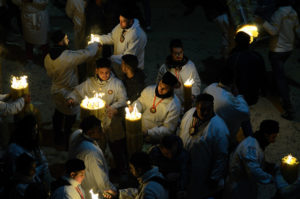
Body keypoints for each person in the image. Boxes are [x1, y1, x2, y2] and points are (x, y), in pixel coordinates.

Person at [68, 58, 127, 173]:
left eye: (107, 73)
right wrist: (71, 99)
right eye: (101, 72)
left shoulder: (116, 83)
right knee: (96, 146)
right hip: (93, 123)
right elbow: (77, 92)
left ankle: (117, 168)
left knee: (114, 145)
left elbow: (123, 99)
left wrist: (113, 107)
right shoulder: (90, 83)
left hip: (109, 120)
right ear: (96, 71)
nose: (104, 75)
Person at [44, 30, 99, 146]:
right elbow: (87, 54)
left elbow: (49, 74)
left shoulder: (48, 57)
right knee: (70, 116)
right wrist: (94, 44)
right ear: (60, 42)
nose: (68, 40)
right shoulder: (67, 57)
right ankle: (67, 140)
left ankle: (57, 136)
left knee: (59, 112)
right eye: (66, 38)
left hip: (55, 89)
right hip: (68, 91)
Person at [178, 94, 230, 199]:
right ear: (196, 107)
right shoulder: (189, 115)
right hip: (183, 168)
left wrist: (214, 178)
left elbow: (221, 156)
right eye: (202, 109)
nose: (206, 112)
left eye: (209, 109)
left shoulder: (219, 128)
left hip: (202, 173)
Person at [258, 0, 300, 120]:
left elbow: (273, 31)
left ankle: (288, 108)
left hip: (277, 50)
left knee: (280, 77)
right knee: (280, 73)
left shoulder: (278, 13)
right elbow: (297, 31)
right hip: (289, 49)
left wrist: (263, 22)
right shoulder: (293, 12)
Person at [224, 120, 279, 199]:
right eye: (273, 137)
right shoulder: (251, 148)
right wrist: (271, 178)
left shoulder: (256, 142)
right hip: (239, 187)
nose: (274, 141)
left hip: (246, 182)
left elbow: (256, 161)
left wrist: (270, 166)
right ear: (266, 135)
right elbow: (254, 172)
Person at [68, 115, 117, 199]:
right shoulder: (91, 154)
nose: (102, 132)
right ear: (90, 133)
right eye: (99, 130)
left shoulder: (77, 134)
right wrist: (113, 191)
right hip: (91, 190)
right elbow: (101, 180)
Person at [93, 7, 147, 78]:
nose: (120, 23)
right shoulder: (121, 26)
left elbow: (129, 56)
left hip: (131, 70)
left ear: (131, 21)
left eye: (123, 21)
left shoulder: (136, 35)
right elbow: (112, 38)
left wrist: (111, 59)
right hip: (119, 64)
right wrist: (98, 38)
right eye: (120, 20)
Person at [131, 71, 181, 144]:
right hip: (139, 132)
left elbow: (168, 129)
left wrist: (149, 132)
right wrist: (135, 109)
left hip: (154, 140)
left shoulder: (174, 105)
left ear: (171, 89)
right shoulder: (149, 90)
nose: (160, 89)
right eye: (160, 85)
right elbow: (140, 102)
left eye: (165, 88)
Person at [204, 68, 250, 146]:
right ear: (233, 82)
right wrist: (238, 95)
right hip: (222, 138)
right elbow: (246, 113)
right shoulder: (228, 101)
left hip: (206, 130)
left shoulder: (210, 87)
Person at [5, 114, 52, 188]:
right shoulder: (14, 149)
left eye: (36, 130)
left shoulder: (33, 145)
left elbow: (42, 161)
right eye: (32, 131)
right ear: (25, 131)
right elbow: (15, 174)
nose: (35, 133)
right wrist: (39, 169)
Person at [104, 152, 169, 199]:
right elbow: (138, 193)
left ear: (139, 170)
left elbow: (141, 193)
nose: (130, 171)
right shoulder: (156, 176)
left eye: (131, 168)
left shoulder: (148, 190)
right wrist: (118, 194)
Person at [228, 31, 267, 106]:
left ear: (236, 42)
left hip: (239, 93)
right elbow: (262, 75)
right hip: (253, 92)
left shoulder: (233, 57)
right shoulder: (257, 56)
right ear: (249, 42)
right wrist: (263, 90)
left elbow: (228, 75)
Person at [157, 39, 201, 104]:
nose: (178, 55)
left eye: (180, 52)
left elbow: (196, 83)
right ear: (171, 53)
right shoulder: (164, 68)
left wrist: (193, 95)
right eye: (176, 53)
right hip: (170, 104)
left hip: (186, 103)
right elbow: (158, 84)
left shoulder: (190, 66)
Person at [149, 134, 189, 199]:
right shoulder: (155, 154)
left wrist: (182, 188)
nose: (170, 157)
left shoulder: (183, 156)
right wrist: (164, 176)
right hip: (160, 188)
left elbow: (185, 173)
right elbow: (150, 173)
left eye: (173, 153)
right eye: (166, 154)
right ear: (160, 148)